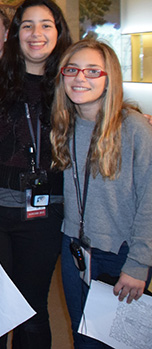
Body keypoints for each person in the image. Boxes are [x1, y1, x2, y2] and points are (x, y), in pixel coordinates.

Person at [0, 0, 72, 348]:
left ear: (58, 32)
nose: (36, 34)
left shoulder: (69, 83)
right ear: (15, 34)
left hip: (44, 214)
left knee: (33, 310)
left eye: (45, 25)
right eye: (28, 25)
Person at [50, 40, 152, 348]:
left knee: (122, 342)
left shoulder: (133, 127)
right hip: (75, 249)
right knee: (83, 338)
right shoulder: (62, 126)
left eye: (93, 71)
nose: (81, 78)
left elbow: (150, 199)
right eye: (72, 70)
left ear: (110, 79)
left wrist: (138, 262)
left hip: (121, 254)